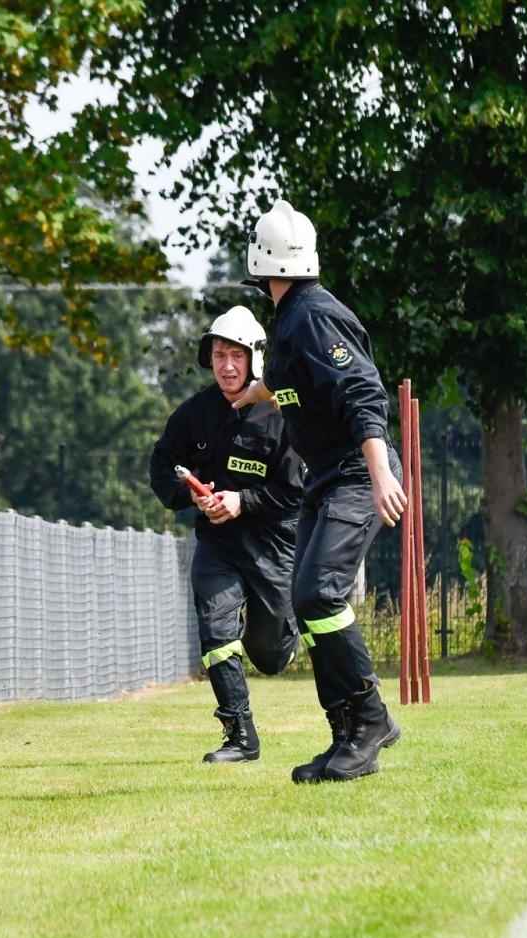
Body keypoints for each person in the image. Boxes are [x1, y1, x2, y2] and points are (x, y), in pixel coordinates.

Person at [229, 199, 407, 783]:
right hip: (325, 481)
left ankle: (372, 720)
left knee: (319, 596)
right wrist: (256, 392)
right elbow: (291, 384)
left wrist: (380, 472)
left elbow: (361, 392)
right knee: (307, 605)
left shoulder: (312, 317)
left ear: (260, 261)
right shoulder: (289, 319)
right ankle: (345, 736)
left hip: (356, 475)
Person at [149, 306, 305, 763]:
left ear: (255, 358)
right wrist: (189, 493)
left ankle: (285, 631)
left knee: (269, 656)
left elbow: (295, 493)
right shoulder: (192, 415)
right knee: (215, 628)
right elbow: (162, 469)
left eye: (236, 355)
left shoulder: (281, 414)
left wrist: (243, 501)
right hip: (216, 546)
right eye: (219, 355)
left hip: (273, 547)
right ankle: (239, 735)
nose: (228, 366)